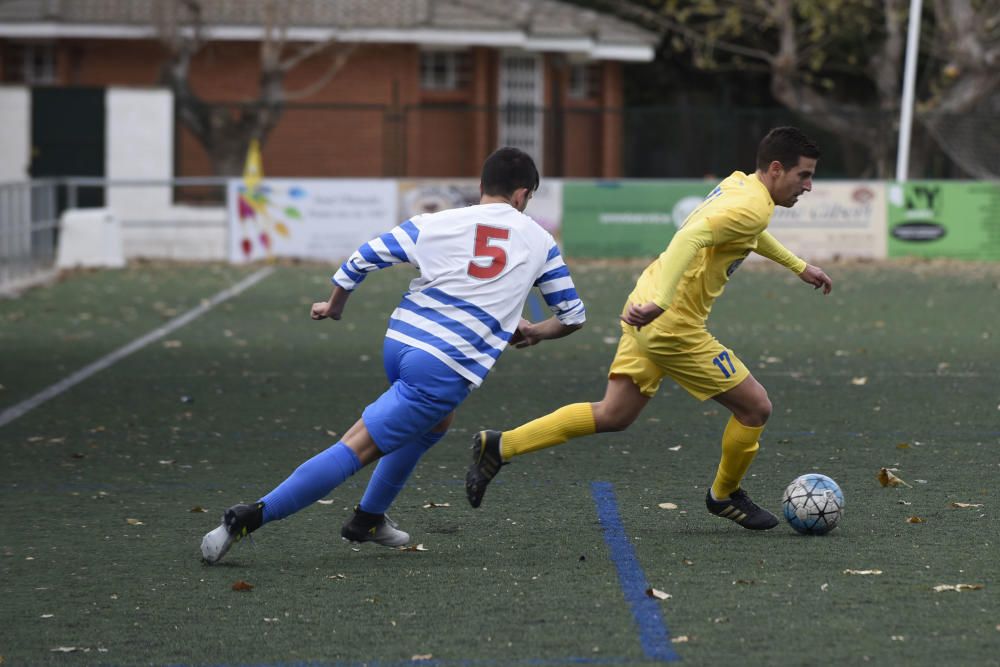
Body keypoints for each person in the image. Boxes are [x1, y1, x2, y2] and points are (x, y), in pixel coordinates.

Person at [201, 147, 586, 563]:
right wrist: (535, 332)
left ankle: (368, 518)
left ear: (480, 187)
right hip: (444, 365)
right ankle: (248, 517)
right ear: (522, 195)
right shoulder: (541, 241)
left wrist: (335, 304)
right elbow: (572, 315)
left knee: (436, 423)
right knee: (356, 449)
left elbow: (362, 258)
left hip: (401, 344)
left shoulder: (435, 222)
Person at [466, 127, 833, 530]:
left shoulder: (741, 186)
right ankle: (723, 495)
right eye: (804, 175)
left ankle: (500, 446)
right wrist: (662, 301)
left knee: (614, 414)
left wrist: (800, 266)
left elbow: (747, 233)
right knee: (756, 407)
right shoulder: (753, 206)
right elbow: (691, 237)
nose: (809, 186)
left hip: (642, 304)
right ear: (777, 169)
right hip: (670, 322)